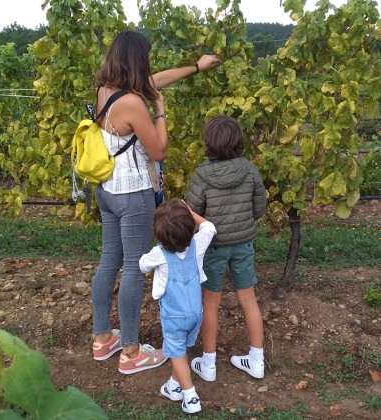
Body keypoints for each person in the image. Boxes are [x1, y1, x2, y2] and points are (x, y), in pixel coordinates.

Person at [91, 30, 221, 375]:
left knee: (109, 262)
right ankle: (131, 351)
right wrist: (160, 110)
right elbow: (159, 149)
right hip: (133, 195)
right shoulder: (135, 103)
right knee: (134, 266)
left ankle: (103, 339)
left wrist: (196, 67)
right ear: (137, 60)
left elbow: (155, 80)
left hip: (106, 190)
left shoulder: (107, 91)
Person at [185, 116, 267, 381]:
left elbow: (192, 212)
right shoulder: (250, 170)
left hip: (213, 247)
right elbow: (259, 209)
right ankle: (256, 360)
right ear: (238, 141)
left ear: (209, 143)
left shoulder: (202, 174)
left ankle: (208, 365)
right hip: (243, 244)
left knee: (211, 303)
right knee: (249, 300)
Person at [139, 199, 216, 414]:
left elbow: (141, 264)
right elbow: (210, 227)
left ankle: (190, 397)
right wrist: (192, 214)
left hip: (173, 317)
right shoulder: (197, 246)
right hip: (195, 314)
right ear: (191, 228)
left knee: (175, 352)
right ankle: (173, 386)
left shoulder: (159, 254)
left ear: (159, 234)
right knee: (180, 351)